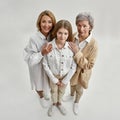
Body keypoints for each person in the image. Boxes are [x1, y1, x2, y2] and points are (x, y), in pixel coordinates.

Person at [66, 12, 98, 115]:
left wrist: (77, 52)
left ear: (90, 27)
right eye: (79, 25)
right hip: (71, 71)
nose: (81, 29)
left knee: (79, 89)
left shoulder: (94, 45)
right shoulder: (74, 35)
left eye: (85, 26)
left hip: (81, 74)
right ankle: (71, 95)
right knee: (71, 85)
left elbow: (89, 65)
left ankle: (76, 102)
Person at [42, 20, 77, 116]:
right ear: (55, 32)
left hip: (65, 76)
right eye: (60, 33)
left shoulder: (71, 47)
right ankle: (54, 103)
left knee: (62, 91)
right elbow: (45, 64)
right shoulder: (49, 46)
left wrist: (65, 80)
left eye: (65, 33)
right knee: (53, 90)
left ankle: (59, 103)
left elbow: (74, 66)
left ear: (69, 33)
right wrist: (54, 79)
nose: (62, 36)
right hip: (53, 75)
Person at [24, 10, 56, 108]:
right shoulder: (33, 38)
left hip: (49, 66)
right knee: (39, 83)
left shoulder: (53, 36)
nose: (47, 25)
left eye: (49, 22)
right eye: (44, 21)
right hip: (38, 67)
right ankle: (41, 96)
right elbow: (30, 59)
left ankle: (47, 94)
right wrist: (42, 53)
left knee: (48, 82)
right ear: (39, 23)